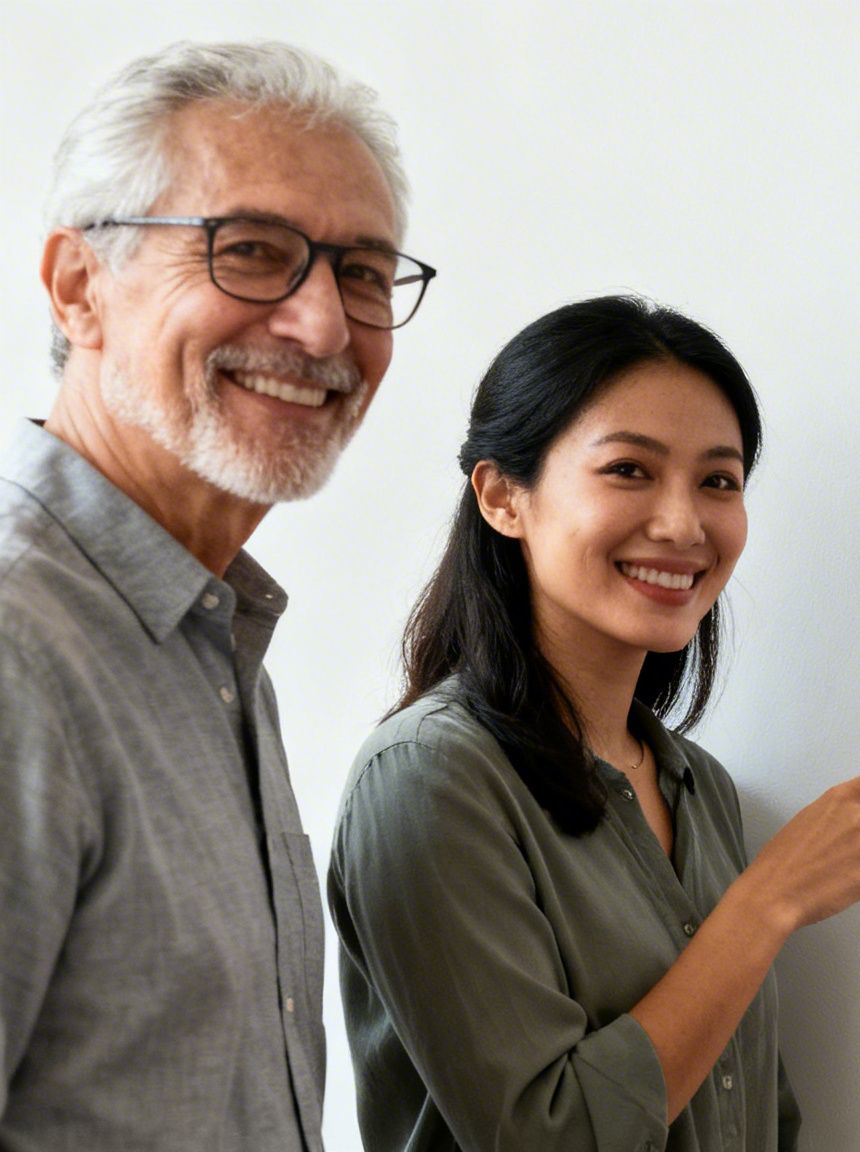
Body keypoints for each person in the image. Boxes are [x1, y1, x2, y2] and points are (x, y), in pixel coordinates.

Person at [327, 294, 860, 1152]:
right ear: (504, 497)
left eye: (718, 481)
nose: (683, 524)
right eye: (629, 470)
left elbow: (755, 1115)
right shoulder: (429, 777)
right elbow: (547, 1139)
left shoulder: (700, 787)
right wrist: (766, 903)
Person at [0, 41, 430, 1150]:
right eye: (251, 252)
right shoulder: (17, 647)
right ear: (78, 286)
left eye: (364, 274)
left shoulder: (212, 640)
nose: (324, 327)